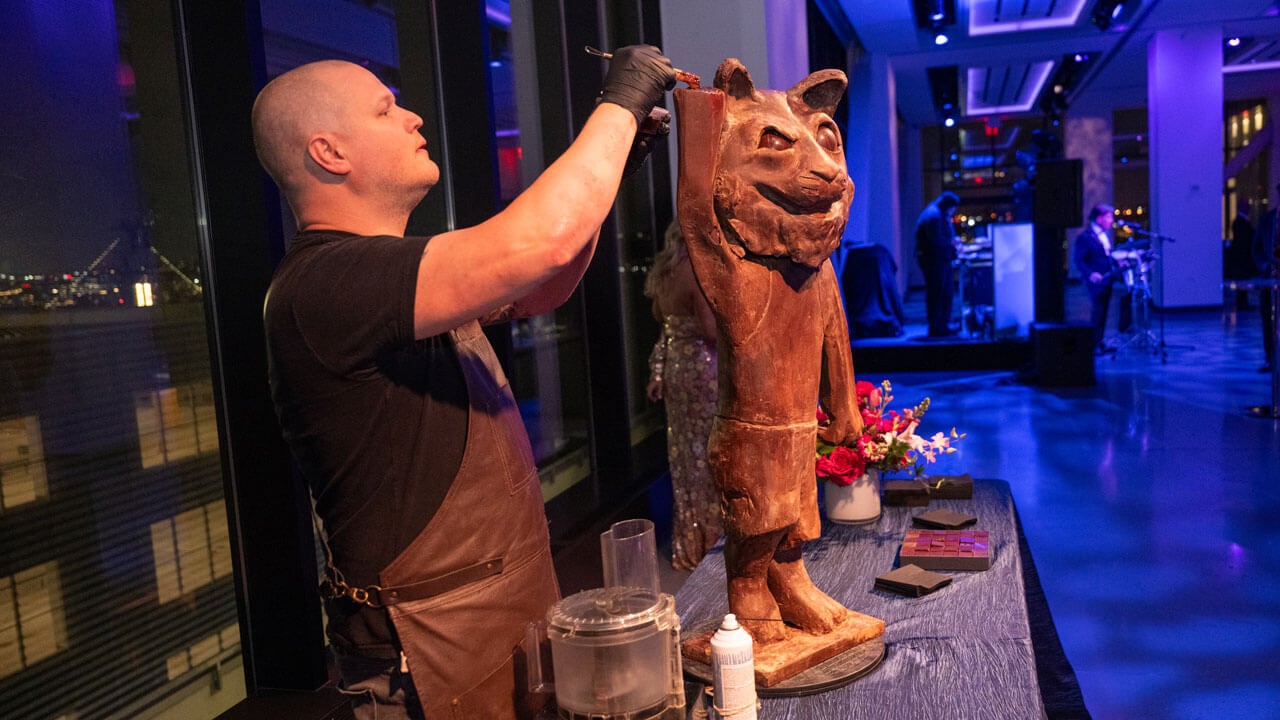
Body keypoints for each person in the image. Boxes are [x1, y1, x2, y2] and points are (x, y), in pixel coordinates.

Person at [252, 49, 675, 720]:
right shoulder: (325, 284)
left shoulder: (389, 273)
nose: (414, 117)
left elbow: (543, 281)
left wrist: (613, 170)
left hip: (501, 614)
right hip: (427, 651)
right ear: (329, 153)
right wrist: (618, 105)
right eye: (386, 110)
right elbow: (540, 244)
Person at [643, 221, 721, 571]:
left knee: (684, 457)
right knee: (711, 452)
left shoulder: (664, 274)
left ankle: (689, 541)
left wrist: (657, 373)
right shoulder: (696, 273)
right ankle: (715, 540)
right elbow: (710, 332)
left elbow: (666, 332)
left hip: (676, 371)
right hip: (705, 371)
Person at [1073, 203, 1131, 353]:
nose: (1111, 220)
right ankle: (1093, 345)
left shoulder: (1104, 235)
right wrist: (1091, 273)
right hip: (1096, 280)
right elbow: (1079, 260)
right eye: (1109, 217)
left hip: (1107, 278)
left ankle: (1099, 342)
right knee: (1098, 312)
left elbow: (1106, 256)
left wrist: (1118, 261)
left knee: (1103, 311)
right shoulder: (1085, 237)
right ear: (1099, 218)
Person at [915, 191, 961, 337]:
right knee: (939, 293)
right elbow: (937, 240)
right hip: (935, 261)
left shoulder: (936, 213)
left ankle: (941, 325)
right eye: (953, 209)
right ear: (948, 205)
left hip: (938, 260)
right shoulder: (934, 216)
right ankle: (938, 327)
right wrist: (952, 243)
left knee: (943, 293)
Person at [1255, 185, 1279, 372]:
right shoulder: (1268, 219)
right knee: (1268, 320)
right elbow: (1256, 248)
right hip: (1268, 280)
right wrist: (1265, 266)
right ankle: (1270, 359)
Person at [1226, 199, 1257, 311]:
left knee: (1243, 281)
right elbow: (1244, 241)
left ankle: (1243, 303)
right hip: (1241, 258)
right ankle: (1242, 303)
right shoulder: (1240, 222)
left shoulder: (1240, 221)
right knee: (1242, 281)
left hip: (1242, 258)